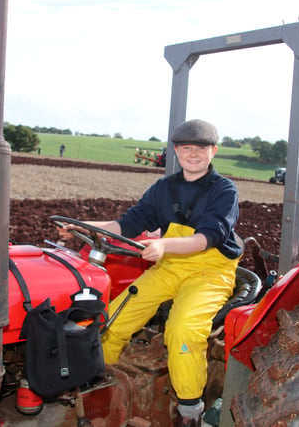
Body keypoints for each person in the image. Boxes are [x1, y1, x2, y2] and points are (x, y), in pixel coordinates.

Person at [57, 119, 241, 426]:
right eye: (185, 148)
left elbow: (209, 236)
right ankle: (98, 381)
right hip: (170, 267)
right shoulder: (164, 189)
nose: (192, 154)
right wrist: (83, 226)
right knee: (113, 317)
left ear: (214, 151)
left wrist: (165, 245)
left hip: (210, 270)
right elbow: (127, 224)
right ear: (176, 151)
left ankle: (189, 410)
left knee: (183, 329)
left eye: (201, 148)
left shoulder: (223, 190)